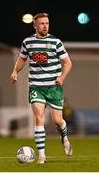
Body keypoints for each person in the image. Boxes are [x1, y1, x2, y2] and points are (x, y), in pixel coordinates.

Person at [10, 12, 73, 164]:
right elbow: (22, 59)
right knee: (39, 117)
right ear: (35, 25)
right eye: (42, 23)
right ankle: (42, 156)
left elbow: (68, 63)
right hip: (36, 86)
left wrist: (61, 77)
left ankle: (64, 137)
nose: (45, 26)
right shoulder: (28, 42)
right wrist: (15, 71)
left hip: (54, 86)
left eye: (47, 23)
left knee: (57, 120)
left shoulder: (55, 42)